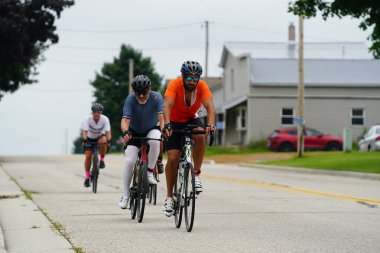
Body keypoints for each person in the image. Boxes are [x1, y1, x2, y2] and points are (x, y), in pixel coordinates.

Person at [161, 61, 215, 217]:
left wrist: (211, 125)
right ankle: (169, 198)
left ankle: (196, 174)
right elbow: (167, 106)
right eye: (189, 78)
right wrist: (167, 124)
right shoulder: (174, 84)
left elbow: (210, 106)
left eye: (195, 78)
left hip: (191, 118)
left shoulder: (202, 86)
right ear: (183, 76)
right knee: (172, 158)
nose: (192, 82)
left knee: (200, 134)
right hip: (174, 121)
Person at [119, 75, 164, 209]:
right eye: (139, 93)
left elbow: (162, 118)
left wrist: (165, 128)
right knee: (129, 161)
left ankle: (150, 171)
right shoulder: (131, 99)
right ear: (134, 92)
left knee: (156, 139)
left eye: (144, 93)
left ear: (149, 89)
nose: (142, 96)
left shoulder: (156, 97)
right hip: (134, 132)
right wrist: (126, 132)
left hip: (151, 128)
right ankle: (125, 195)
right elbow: (125, 120)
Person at [81, 103, 112, 187]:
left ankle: (102, 159)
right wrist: (84, 139)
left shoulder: (105, 119)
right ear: (92, 112)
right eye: (95, 112)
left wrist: (109, 140)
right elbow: (85, 131)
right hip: (89, 138)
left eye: (98, 112)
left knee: (104, 141)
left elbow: (108, 132)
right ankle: (87, 177)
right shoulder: (87, 119)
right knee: (88, 156)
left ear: (101, 113)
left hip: (99, 137)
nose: (96, 114)